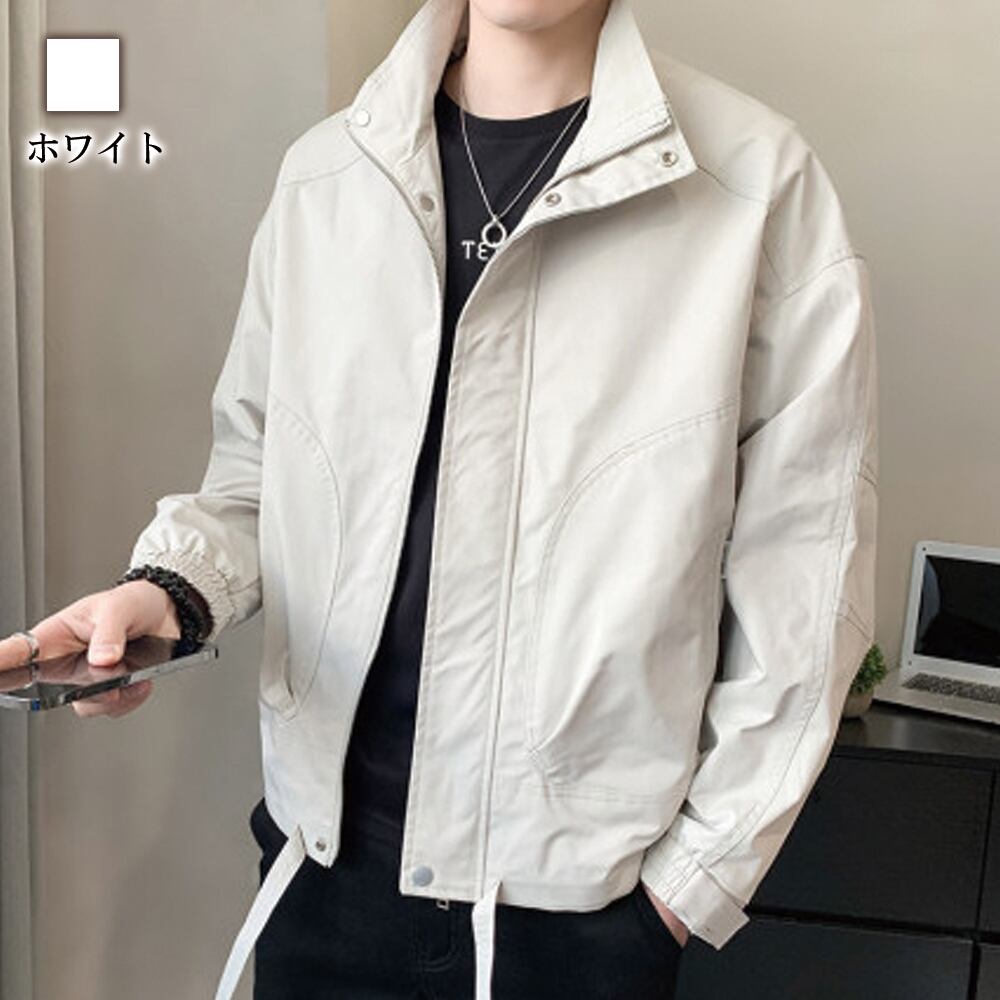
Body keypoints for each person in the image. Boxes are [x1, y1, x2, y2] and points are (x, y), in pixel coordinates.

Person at [0, 0, 879, 997]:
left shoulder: (757, 189)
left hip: (576, 919)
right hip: (319, 876)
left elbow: (806, 582)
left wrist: (680, 892)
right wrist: (163, 594)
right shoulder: (327, 177)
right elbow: (259, 475)